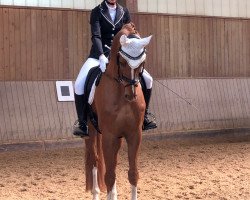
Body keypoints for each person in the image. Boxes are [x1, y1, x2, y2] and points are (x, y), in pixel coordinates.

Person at [73, 0, 157, 137]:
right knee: (79, 84)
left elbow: (131, 33)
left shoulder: (124, 11)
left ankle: (145, 117)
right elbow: (96, 36)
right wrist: (100, 55)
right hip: (98, 55)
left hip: (121, 56)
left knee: (148, 79)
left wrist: (135, 47)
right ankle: (82, 123)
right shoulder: (97, 11)